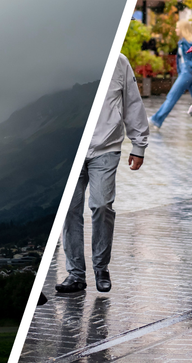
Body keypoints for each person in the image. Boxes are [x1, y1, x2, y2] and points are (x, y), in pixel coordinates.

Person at [57, 53, 149, 294]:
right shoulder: (66, 62)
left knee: (101, 205)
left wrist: (139, 144)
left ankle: (101, 267)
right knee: (69, 210)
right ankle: (76, 274)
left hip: (106, 148)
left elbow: (132, 103)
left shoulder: (120, 62)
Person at [150, 19, 192, 129]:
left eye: (178, 28)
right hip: (188, 73)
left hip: (187, 73)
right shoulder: (183, 42)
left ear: (183, 29)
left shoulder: (190, 43)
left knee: (171, 97)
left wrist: (191, 65)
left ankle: (156, 120)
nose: (176, 30)